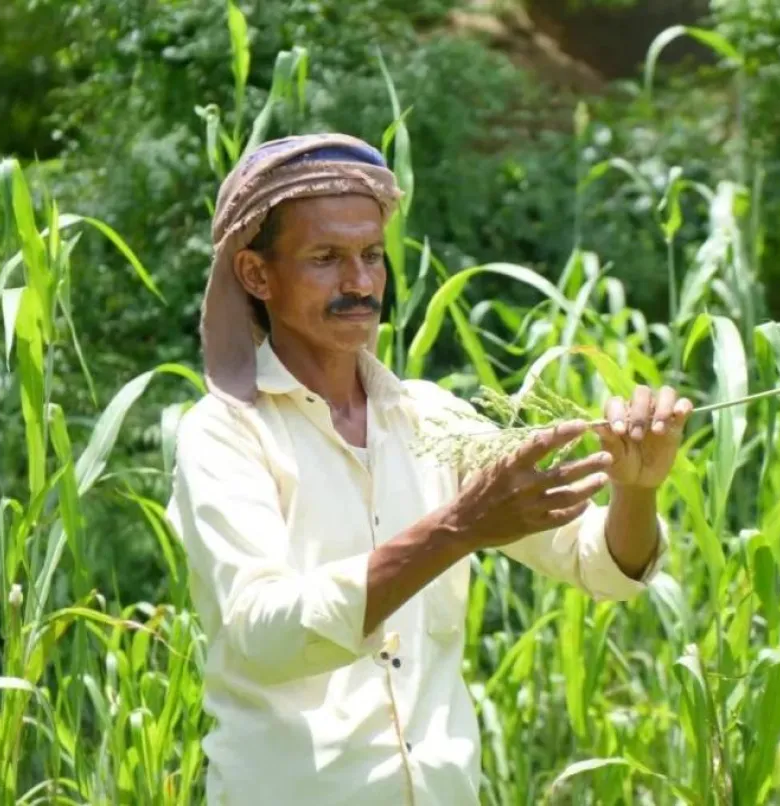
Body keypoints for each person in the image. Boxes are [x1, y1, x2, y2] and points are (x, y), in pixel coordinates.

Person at [166, 133, 693, 805]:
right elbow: (265, 635)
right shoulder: (225, 433)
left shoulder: (430, 420)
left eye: (371, 256)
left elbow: (599, 566)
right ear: (256, 275)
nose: (359, 283)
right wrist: (457, 529)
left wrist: (636, 491)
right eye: (326, 258)